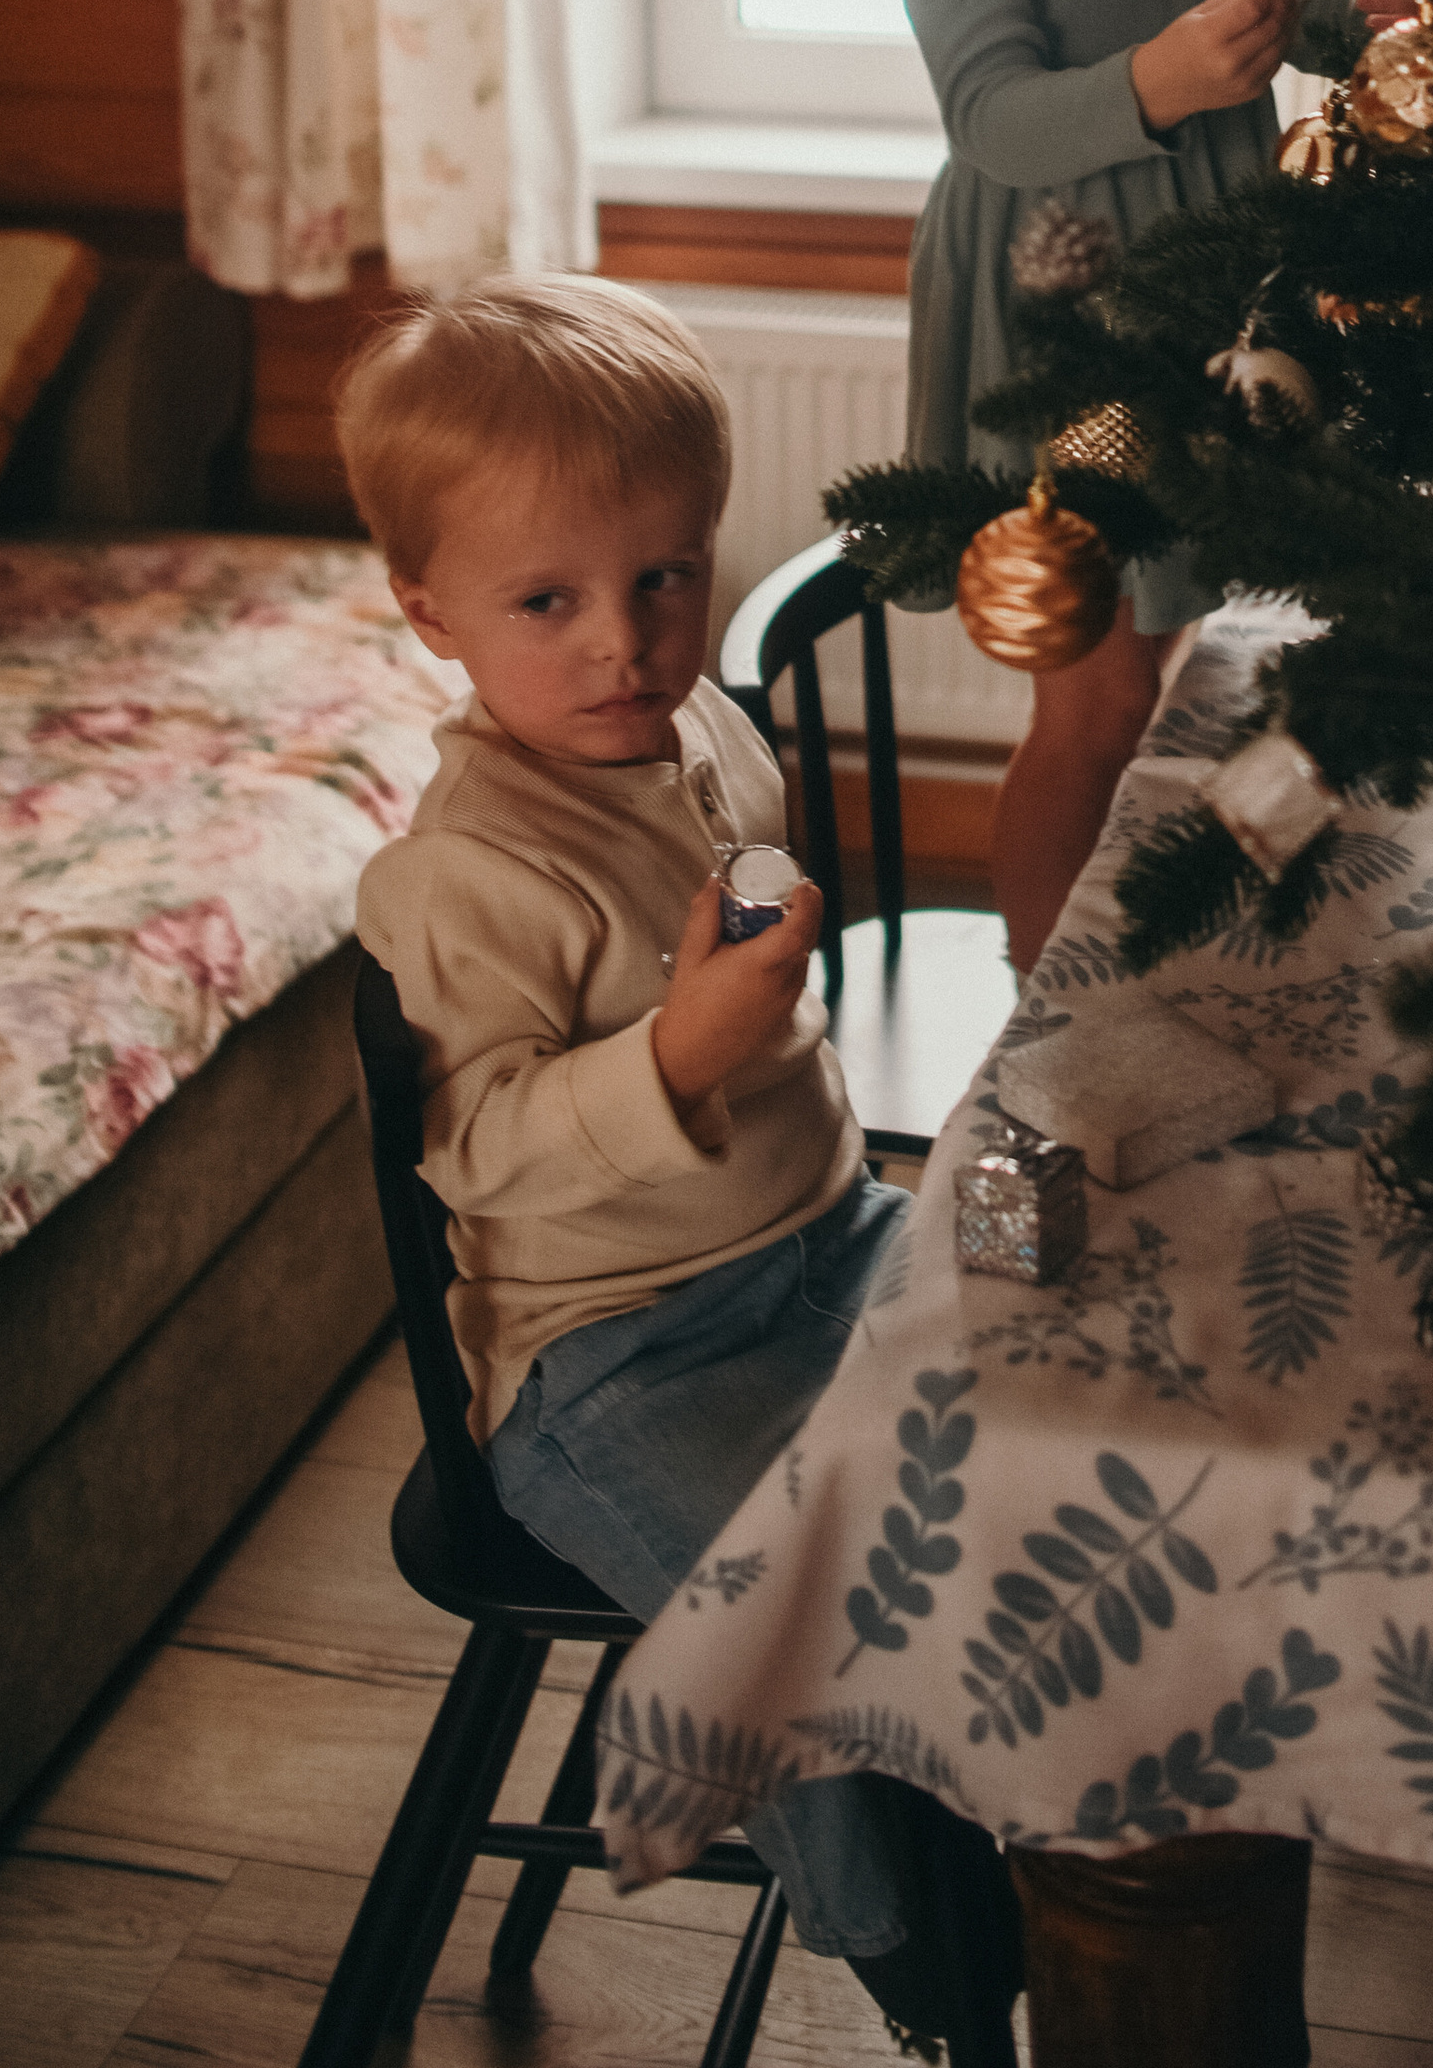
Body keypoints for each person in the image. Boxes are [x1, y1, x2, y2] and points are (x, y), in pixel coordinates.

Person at [341, 276, 1015, 2061]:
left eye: (665, 577)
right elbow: (473, 1151)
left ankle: (1057, 1773)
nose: (626, 644)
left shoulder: (698, 723)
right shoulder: (464, 873)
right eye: (546, 602)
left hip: (820, 1233)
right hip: (611, 1354)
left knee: (1062, 1352)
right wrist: (677, 1056)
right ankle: (929, 1954)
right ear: (430, 616)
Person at [838, 0, 1426, 971]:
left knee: (1208, 664)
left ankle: (1184, 964)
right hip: (1068, 318)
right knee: (1097, 688)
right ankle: (1046, 1020)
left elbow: (1293, 8)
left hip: (1223, 303)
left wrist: (1360, 3)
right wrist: (1161, 80)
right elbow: (992, 120)